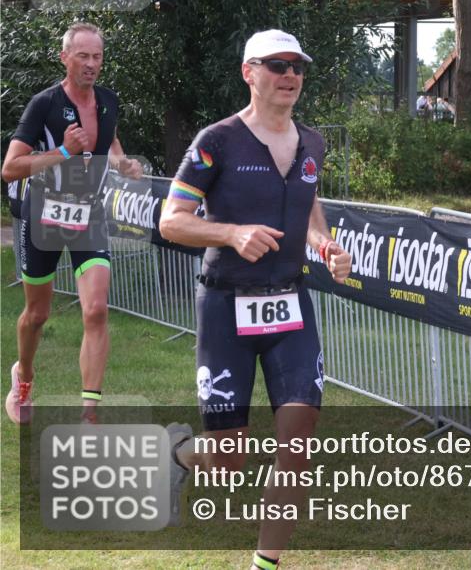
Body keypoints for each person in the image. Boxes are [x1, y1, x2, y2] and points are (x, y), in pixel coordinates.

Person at [159, 29, 351, 569]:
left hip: (291, 304)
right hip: (225, 306)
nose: (290, 75)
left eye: (297, 66)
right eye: (276, 65)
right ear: (250, 73)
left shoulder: (312, 143)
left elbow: (309, 206)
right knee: (228, 459)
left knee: (298, 442)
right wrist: (231, 233)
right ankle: (178, 454)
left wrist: (325, 245)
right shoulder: (215, 141)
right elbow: (170, 222)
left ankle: (263, 564)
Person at [1, 22, 143, 425]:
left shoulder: (109, 101)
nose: (91, 64)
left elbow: (110, 142)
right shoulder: (43, 104)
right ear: (64, 57)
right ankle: (23, 377)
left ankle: (89, 416)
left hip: (88, 214)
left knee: (96, 309)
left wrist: (121, 162)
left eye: (97, 57)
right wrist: (64, 150)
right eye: (83, 56)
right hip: (42, 214)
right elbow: (10, 169)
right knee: (37, 315)